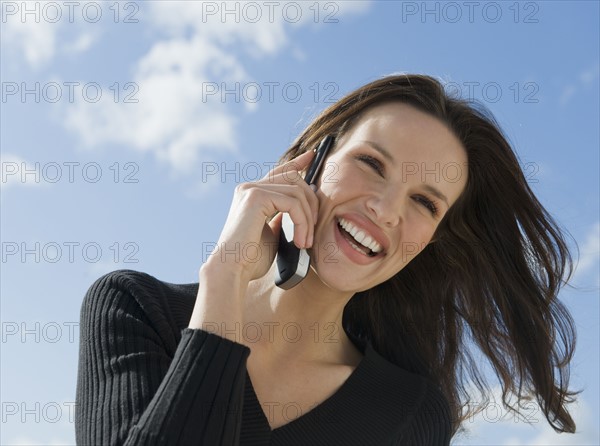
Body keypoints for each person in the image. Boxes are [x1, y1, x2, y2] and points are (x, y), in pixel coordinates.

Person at [75, 74, 579, 445]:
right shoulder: (133, 307)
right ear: (311, 162)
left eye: (425, 203)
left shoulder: (409, 415)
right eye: (370, 163)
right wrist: (224, 277)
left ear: (431, 241)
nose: (384, 209)